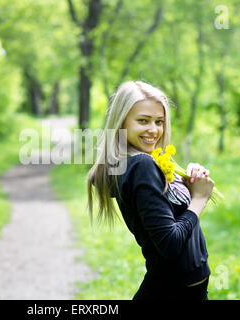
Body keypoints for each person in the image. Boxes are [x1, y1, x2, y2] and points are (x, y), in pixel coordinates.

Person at [87, 80, 215, 300]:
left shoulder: (139, 163)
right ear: (121, 123)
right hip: (172, 292)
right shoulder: (141, 165)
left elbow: (165, 207)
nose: (153, 130)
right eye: (143, 121)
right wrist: (199, 199)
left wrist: (187, 183)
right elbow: (170, 243)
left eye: (159, 121)